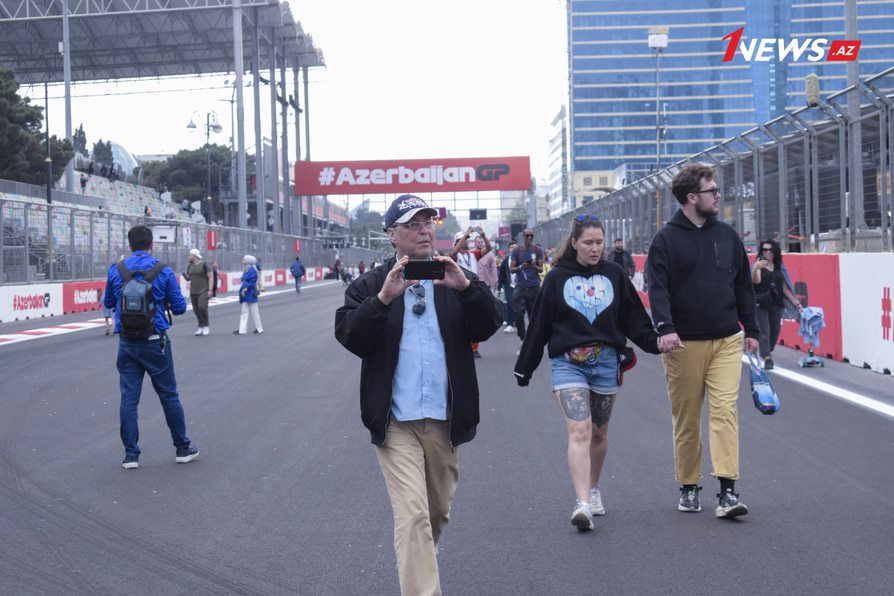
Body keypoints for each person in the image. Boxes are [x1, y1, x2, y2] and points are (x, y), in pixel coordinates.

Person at [334, 194, 502, 596]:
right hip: (395, 422)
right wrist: (383, 299)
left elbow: (489, 324)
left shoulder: (455, 277)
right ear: (392, 235)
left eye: (428, 222)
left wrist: (467, 289)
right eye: (412, 224)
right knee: (413, 517)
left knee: (435, 513)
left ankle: (417, 559)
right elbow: (351, 337)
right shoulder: (371, 284)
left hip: (445, 419)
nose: (424, 230)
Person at [514, 215, 661, 531]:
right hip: (568, 363)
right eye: (588, 243)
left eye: (599, 242)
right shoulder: (557, 278)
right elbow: (539, 324)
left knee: (598, 432)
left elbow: (634, 318)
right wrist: (524, 367)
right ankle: (582, 504)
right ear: (574, 243)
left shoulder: (615, 274)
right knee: (579, 429)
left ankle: (593, 489)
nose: (595, 248)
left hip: (606, 362)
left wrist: (655, 342)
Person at [646, 163, 760, 519]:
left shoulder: (727, 235)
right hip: (683, 343)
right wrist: (665, 328)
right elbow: (657, 289)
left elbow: (743, 285)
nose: (718, 196)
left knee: (725, 412)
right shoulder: (665, 239)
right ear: (692, 197)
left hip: (727, 339)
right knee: (687, 419)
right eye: (713, 191)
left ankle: (728, 491)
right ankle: (689, 486)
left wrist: (753, 330)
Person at [103, 224, 199, 469]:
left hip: (127, 342)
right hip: (155, 341)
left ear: (129, 245)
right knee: (168, 395)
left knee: (128, 399)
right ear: (152, 245)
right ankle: (182, 448)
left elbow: (109, 302)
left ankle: (130, 455)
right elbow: (179, 308)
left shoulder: (116, 269)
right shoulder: (163, 270)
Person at [752, 239, 802, 370]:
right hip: (761, 302)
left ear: (775, 251)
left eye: (770, 250)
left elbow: (785, 288)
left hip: (776, 303)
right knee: (764, 330)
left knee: (775, 330)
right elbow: (756, 282)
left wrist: (797, 304)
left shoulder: (780, 267)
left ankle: (767, 350)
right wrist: (756, 268)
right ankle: (767, 358)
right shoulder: (758, 265)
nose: (767, 252)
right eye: (764, 250)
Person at [510, 228, 544, 341]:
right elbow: (512, 269)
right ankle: (522, 336)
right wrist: (521, 267)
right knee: (518, 314)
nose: (529, 238)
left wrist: (534, 266)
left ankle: (532, 339)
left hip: (534, 287)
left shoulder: (538, 250)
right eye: (527, 236)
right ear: (523, 237)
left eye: (531, 236)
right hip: (521, 286)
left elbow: (541, 269)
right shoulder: (517, 251)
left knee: (534, 316)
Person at [182, 248, 212, 336]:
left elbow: (211, 277)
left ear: (194, 256)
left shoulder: (204, 265)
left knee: (202, 307)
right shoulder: (190, 266)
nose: (188, 257)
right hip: (193, 291)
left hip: (203, 290)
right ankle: (200, 326)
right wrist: (184, 275)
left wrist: (210, 290)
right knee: (196, 310)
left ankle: (206, 326)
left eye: (189, 255)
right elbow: (188, 278)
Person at [234, 255, 263, 334]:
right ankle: (242, 329)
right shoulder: (246, 269)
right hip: (246, 293)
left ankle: (259, 329)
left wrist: (246, 289)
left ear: (248, 261)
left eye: (244, 259)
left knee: (254, 312)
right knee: (244, 312)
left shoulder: (252, 270)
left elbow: (252, 282)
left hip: (251, 293)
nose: (242, 261)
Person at [498, 240, 518, 333]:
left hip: (520, 285)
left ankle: (517, 322)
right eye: (511, 247)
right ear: (509, 249)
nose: (513, 249)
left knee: (519, 305)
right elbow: (501, 275)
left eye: (515, 247)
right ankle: (510, 324)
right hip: (509, 285)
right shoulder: (506, 261)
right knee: (510, 303)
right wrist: (499, 288)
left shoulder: (522, 259)